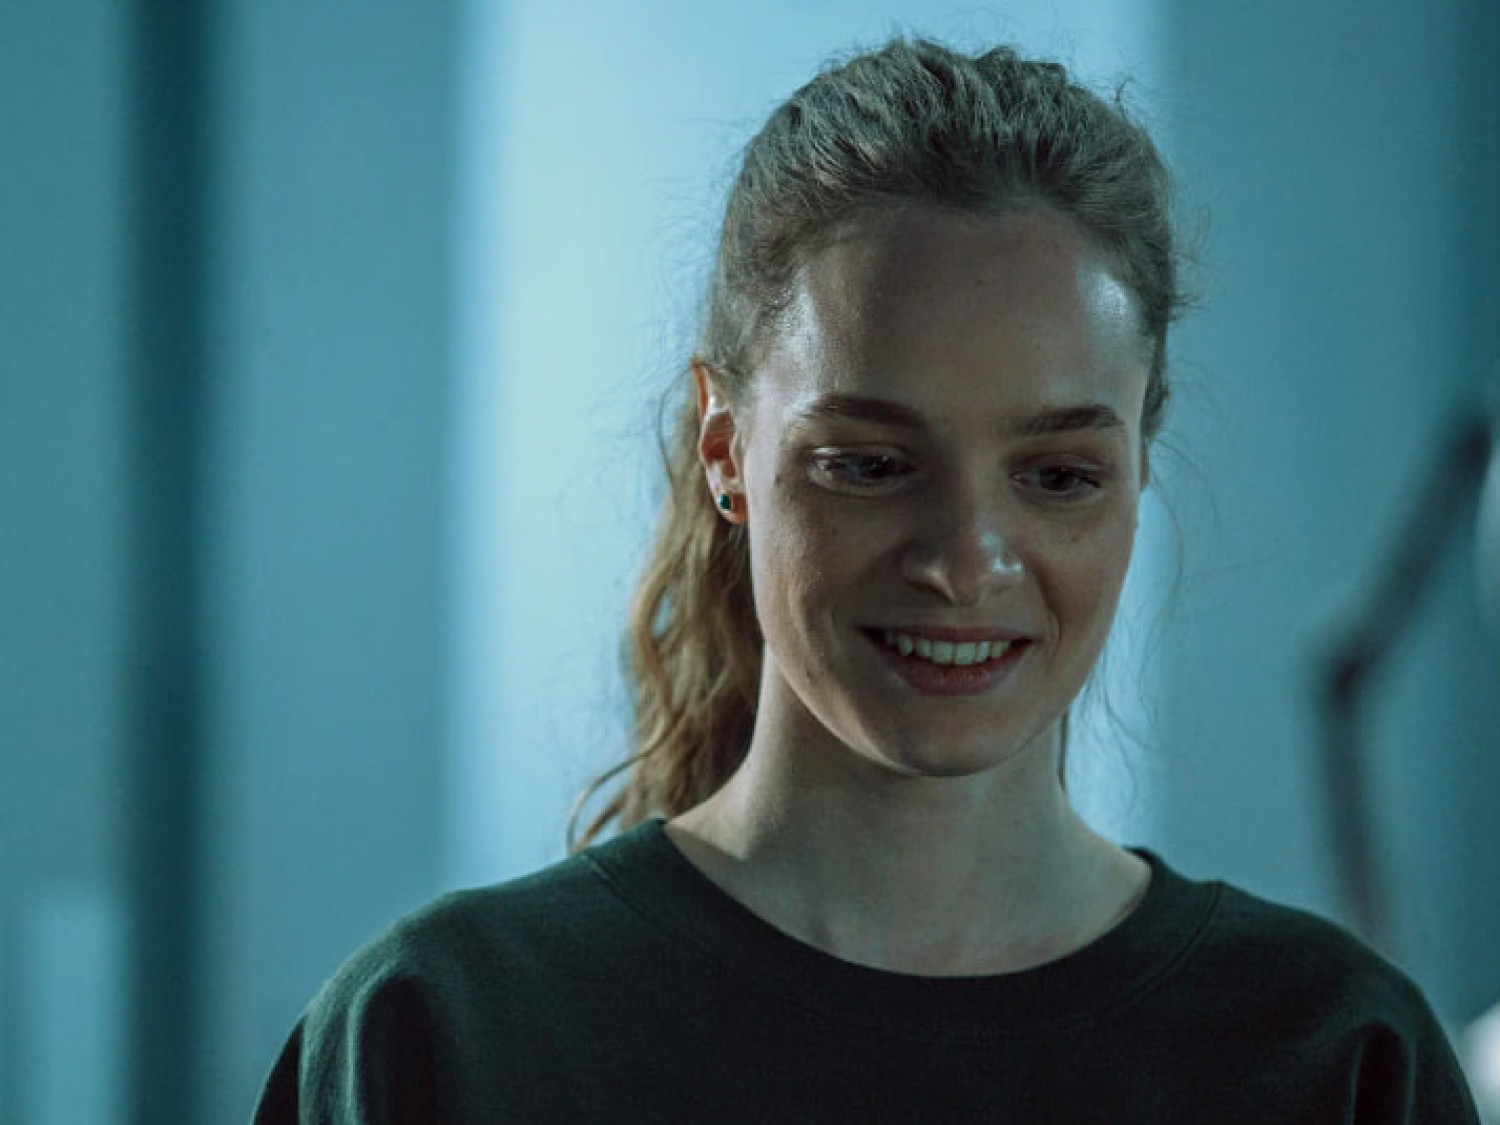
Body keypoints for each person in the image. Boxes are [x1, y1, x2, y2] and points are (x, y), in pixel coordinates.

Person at [251, 36, 1481, 1122]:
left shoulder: (1339, 1062)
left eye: (1058, 475)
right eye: (869, 465)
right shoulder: (441, 1037)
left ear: (1140, 463)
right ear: (727, 448)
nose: (963, 562)